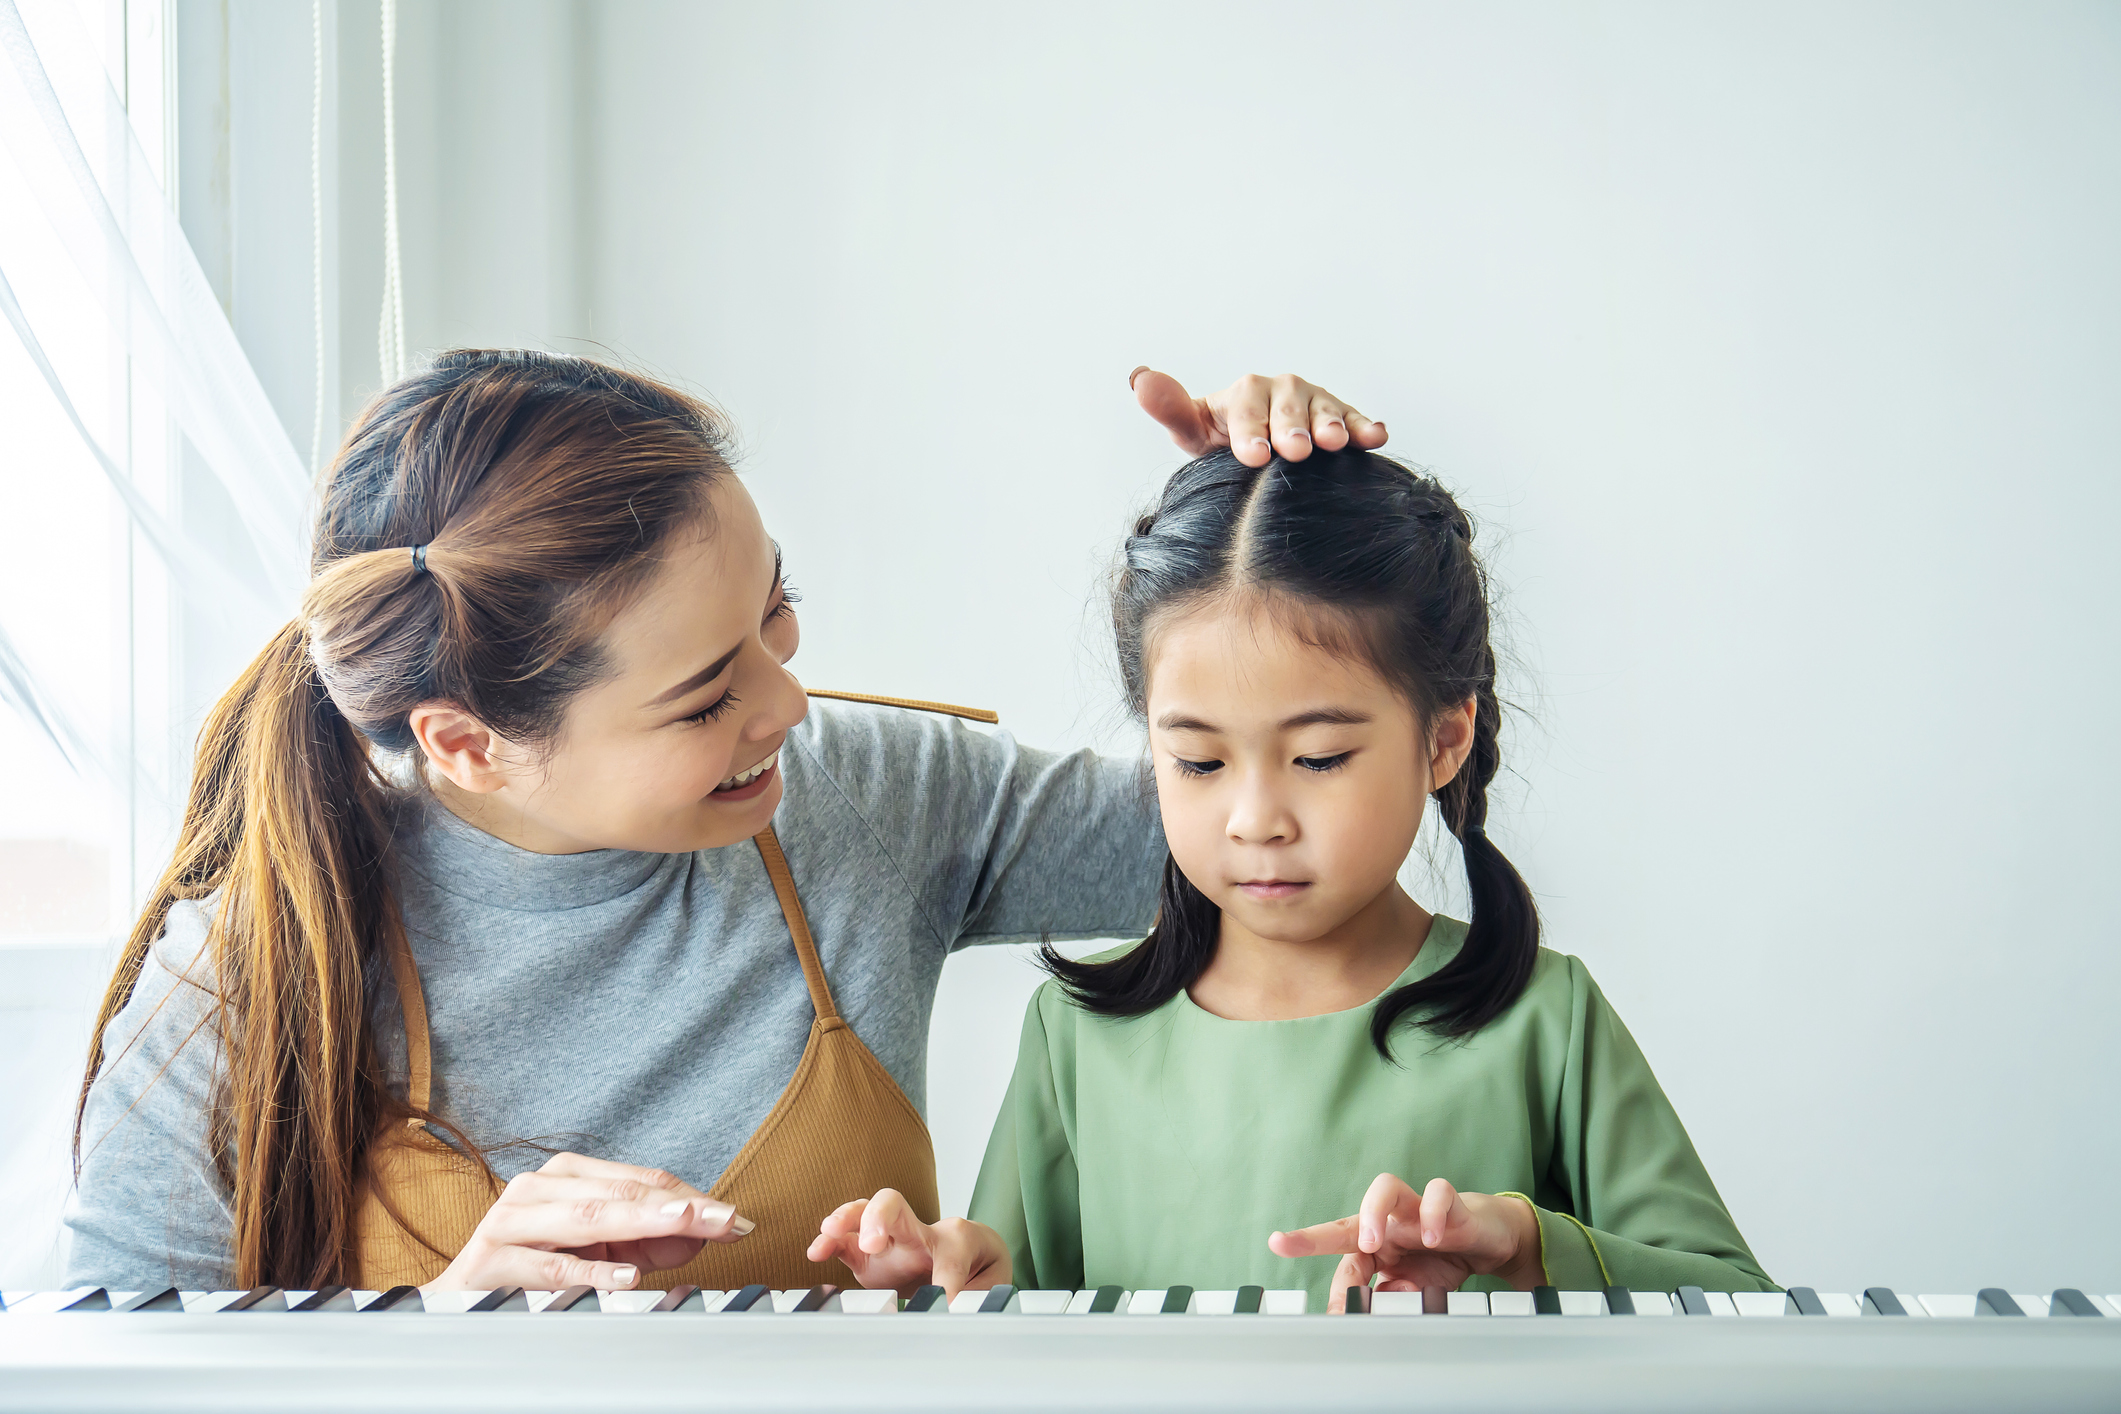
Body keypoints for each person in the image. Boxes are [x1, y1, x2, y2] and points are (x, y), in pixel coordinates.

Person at [65, 351, 1386, 1294]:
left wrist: (1290, 542)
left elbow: (1277, 821)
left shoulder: (860, 799)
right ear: (467, 742)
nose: (787, 699)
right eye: (703, 698)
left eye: (775, 606)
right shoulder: (238, 977)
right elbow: (100, 1389)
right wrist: (445, 1345)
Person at [809, 447, 1777, 1310]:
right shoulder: (1077, 1037)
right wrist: (960, 1288)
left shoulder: (1546, 1018)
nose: (1254, 818)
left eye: (1318, 758)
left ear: (1445, 738)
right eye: (1197, 762)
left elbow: (1738, 1308)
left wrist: (1528, 1248)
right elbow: (1023, 1320)